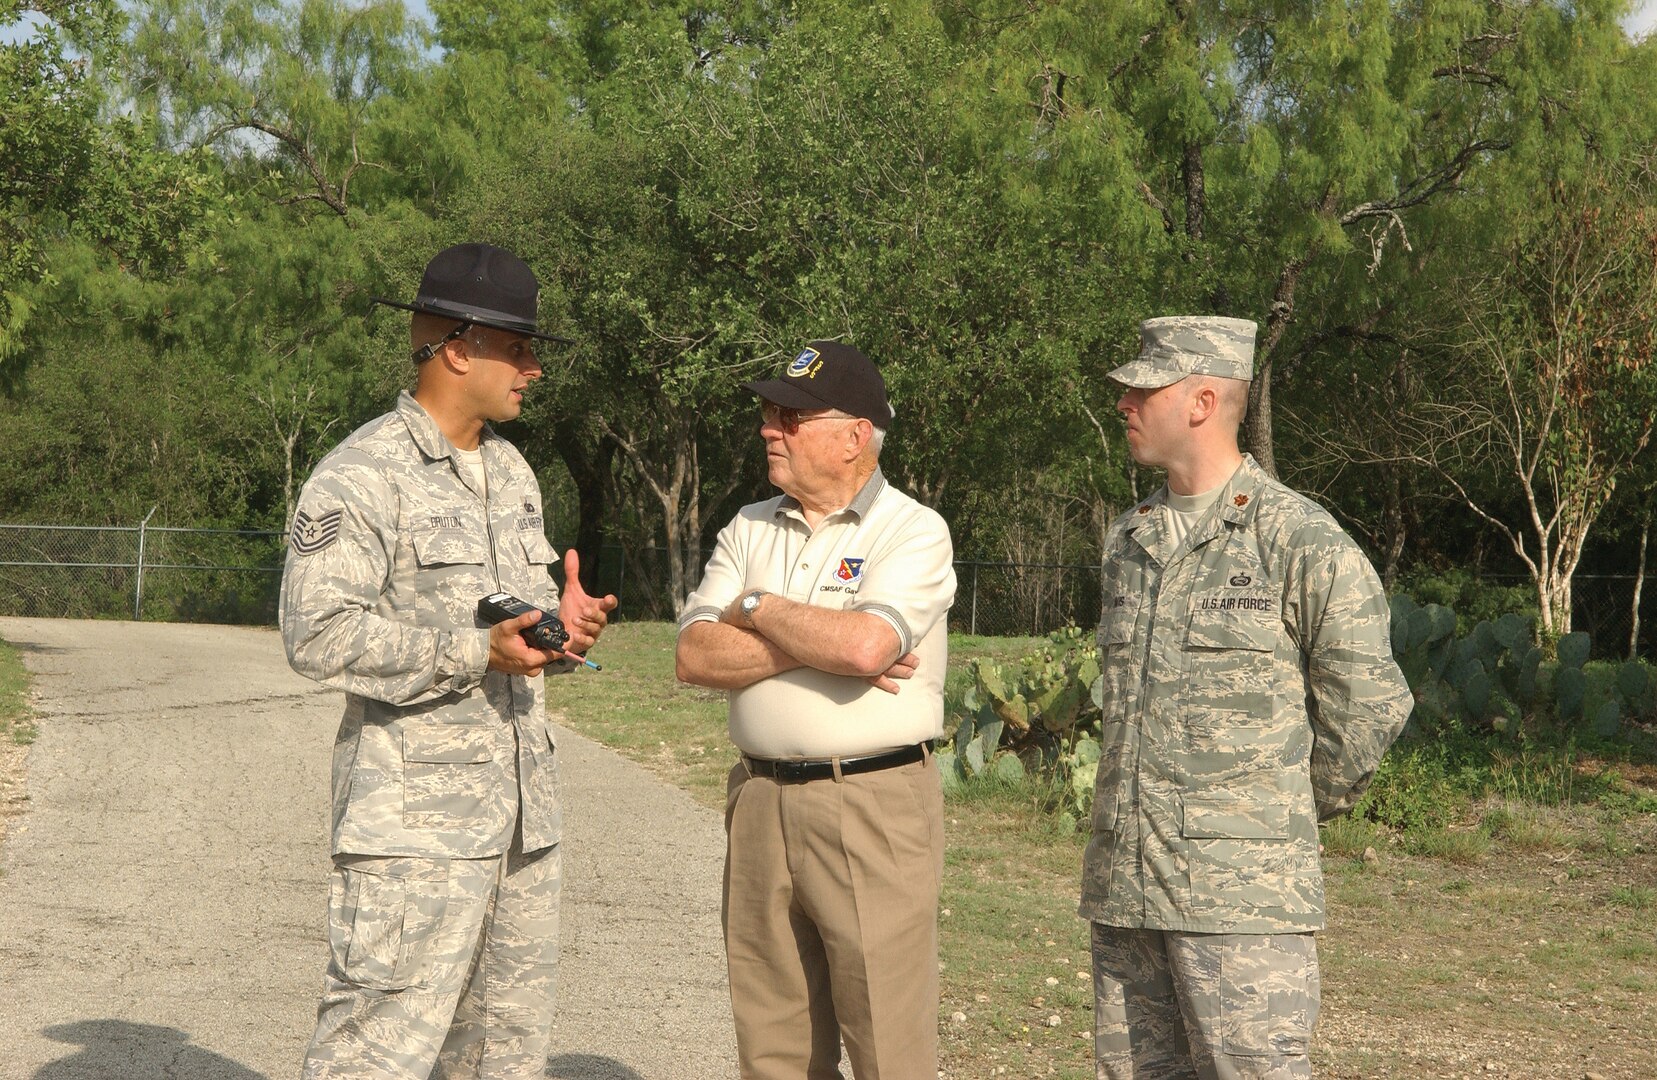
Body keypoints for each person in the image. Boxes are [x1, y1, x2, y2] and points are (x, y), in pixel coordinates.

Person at [280, 243, 617, 1079]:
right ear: (459, 347)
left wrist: (559, 634)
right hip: (412, 834)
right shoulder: (361, 476)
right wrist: (476, 652)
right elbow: (314, 632)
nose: (534, 369)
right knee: (373, 1056)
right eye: (521, 349)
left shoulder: (510, 471)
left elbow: (515, 632)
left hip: (519, 826)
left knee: (500, 1059)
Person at [1081, 316, 1413, 1080]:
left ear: (1200, 401)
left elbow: (1368, 704)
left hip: (1242, 905)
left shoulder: (1297, 538)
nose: (1123, 404)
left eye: (1142, 389)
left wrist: (1273, 817)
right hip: (1127, 892)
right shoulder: (1128, 540)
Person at [675, 341, 956, 1080]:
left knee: (885, 1041)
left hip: (871, 803)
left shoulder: (912, 530)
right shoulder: (749, 526)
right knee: (772, 1041)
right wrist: (817, 636)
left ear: (854, 435)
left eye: (791, 416)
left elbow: (867, 648)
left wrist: (754, 607)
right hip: (760, 800)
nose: (770, 429)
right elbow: (694, 658)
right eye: (770, 413)